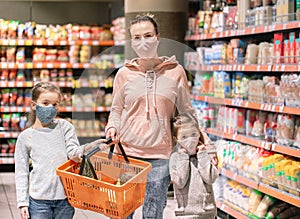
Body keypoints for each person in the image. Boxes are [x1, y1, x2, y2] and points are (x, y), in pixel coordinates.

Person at [105, 14, 218, 219]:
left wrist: (204, 143)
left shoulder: (175, 72)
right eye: (136, 37)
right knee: (123, 211)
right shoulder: (123, 74)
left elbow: (187, 112)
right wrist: (112, 127)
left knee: (154, 211)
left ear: (158, 36)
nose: (143, 42)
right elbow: (116, 110)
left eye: (148, 35)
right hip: (127, 153)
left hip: (161, 155)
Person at [14, 81, 110, 219]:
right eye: (45, 103)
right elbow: (21, 172)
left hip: (65, 198)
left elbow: (73, 153)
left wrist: (90, 147)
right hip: (38, 201)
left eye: (55, 104)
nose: (50, 108)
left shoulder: (65, 127)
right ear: (34, 105)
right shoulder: (25, 137)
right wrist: (22, 202)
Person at [169, 114, 219, 219]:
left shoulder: (204, 154)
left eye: (193, 134)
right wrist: (183, 157)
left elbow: (210, 178)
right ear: (176, 139)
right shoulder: (175, 158)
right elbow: (180, 182)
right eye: (184, 137)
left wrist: (202, 155)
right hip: (185, 214)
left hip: (207, 212)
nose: (190, 140)